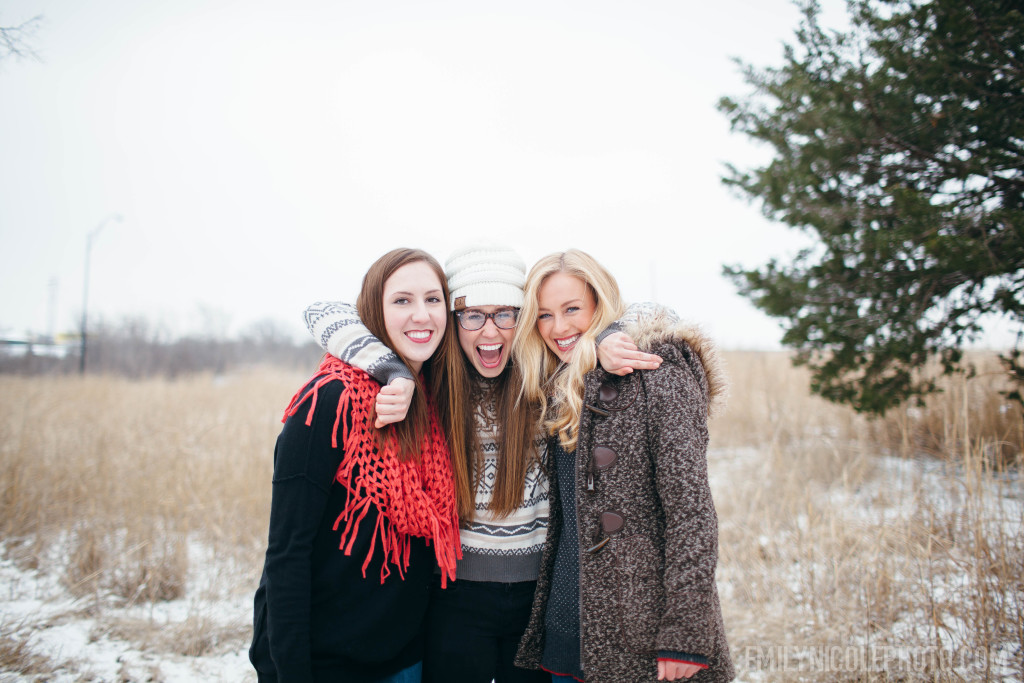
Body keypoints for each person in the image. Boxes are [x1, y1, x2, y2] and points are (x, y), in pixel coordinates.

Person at [301, 244, 665, 683]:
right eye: (473, 315)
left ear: (523, 317)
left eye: (505, 314)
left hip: (537, 599)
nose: (489, 331)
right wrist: (389, 369)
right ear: (454, 322)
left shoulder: (548, 375)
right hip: (454, 597)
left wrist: (609, 335)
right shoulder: (432, 380)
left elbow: (659, 311)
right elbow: (321, 312)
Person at [512, 250, 734, 683]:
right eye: (543, 316)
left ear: (601, 303)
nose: (559, 328)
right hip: (566, 629)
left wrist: (686, 633)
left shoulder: (655, 370)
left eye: (572, 309)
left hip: (645, 631)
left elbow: (691, 512)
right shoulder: (556, 386)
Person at [249, 248, 462, 683]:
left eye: (433, 299)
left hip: (406, 662)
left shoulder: (434, 400)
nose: (421, 315)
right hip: (326, 664)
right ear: (373, 312)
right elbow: (287, 553)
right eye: (402, 300)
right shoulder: (329, 400)